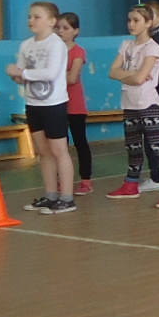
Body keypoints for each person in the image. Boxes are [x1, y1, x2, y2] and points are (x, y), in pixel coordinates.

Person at [107, 4, 159, 208]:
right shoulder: (126, 45)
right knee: (133, 146)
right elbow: (112, 72)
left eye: (136, 20)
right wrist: (131, 74)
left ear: (148, 23)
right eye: (129, 20)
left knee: (158, 146)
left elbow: (140, 79)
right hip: (129, 103)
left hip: (148, 103)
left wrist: (126, 75)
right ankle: (131, 184)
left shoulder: (153, 47)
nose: (131, 24)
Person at [8, 1, 75, 214]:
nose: (31, 20)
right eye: (30, 16)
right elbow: (21, 75)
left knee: (59, 151)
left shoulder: (56, 44)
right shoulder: (26, 45)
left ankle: (67, 198)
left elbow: (50, 73)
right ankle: (50, 195)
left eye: (37, 17)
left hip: (53, 105)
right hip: (33, 104)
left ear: (51, 21)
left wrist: (21, 73)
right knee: (44, 152)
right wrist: (16, 75)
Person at [55, 12, 94, 195]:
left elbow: (72, 78)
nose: (60, 31)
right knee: (60, 144)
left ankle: (86, 180)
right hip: (56, 103)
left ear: (75, 31)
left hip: (75, 104)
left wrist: (52, 75)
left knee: (80, 142)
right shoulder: (53, 52)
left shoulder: (78, 51)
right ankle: (62, 179)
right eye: (58, 27)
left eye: (66, 28)